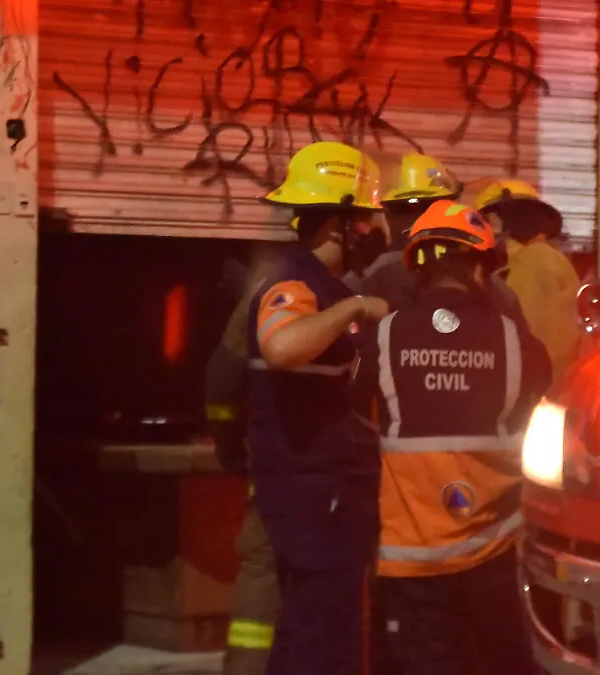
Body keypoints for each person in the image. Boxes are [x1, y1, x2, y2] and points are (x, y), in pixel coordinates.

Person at [348, 200, 552, 675]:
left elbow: (359, 416)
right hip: (499, 555)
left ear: (418, 269)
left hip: (413, 560)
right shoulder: (520, 343)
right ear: (483, 269)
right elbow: (540, 422)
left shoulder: (383, 336)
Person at [247, 141, 391, 675]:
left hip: (320, 490)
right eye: (366, 219)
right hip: (314, 494)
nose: (375, 231)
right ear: (340, 225)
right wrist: (354, 308)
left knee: (307, 631)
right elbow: (282, 347)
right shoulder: (294, 282)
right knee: (325, 639)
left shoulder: (320, 283)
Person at [206, 244, 283, 675]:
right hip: (370, 484)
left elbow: (221, 380)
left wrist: (228, 443)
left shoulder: (268, 293)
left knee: (263, 580)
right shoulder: (371, 291)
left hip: (276, 478)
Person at [350, 153, 527, 327]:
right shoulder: (490, 283)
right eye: (404, 210)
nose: (416, 221)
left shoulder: (381, 272)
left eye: (428, 208)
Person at [475, 179, 581, 381]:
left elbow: (543, 347)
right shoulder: (512, 265)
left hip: (535, 398)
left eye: (488, 222)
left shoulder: (537, 262)